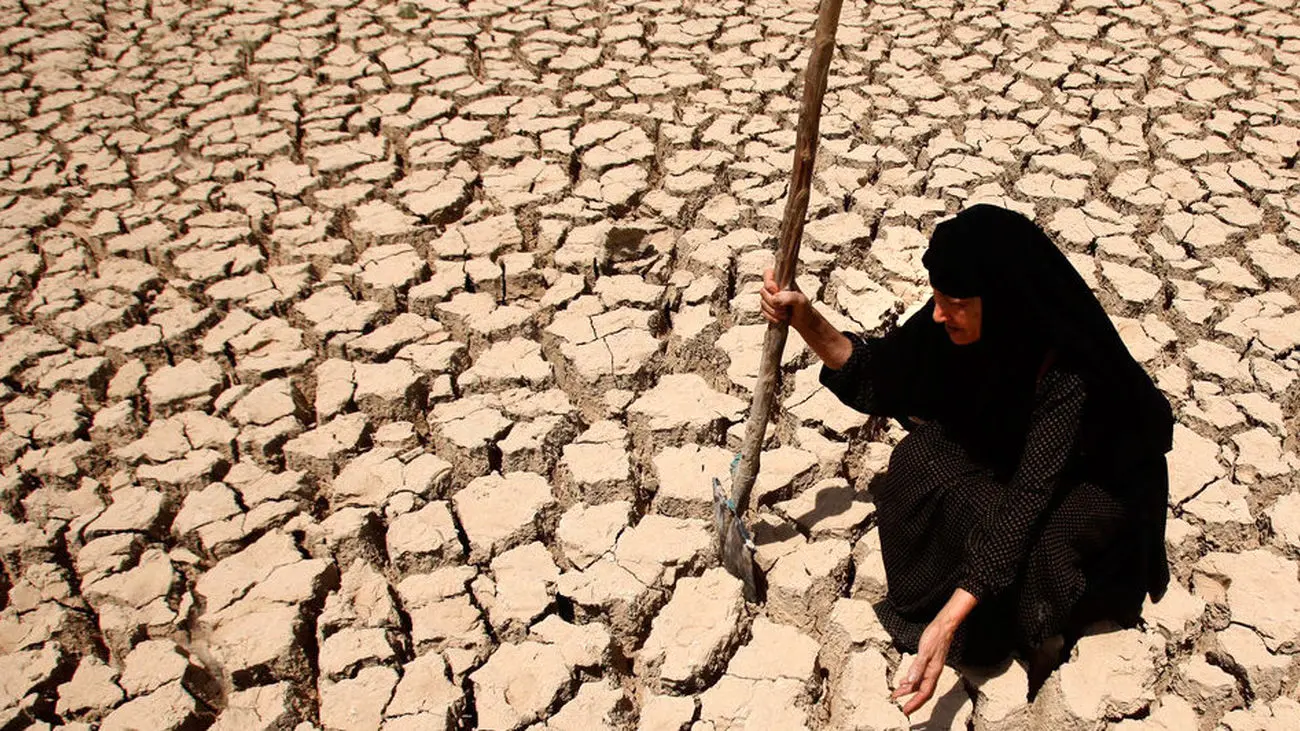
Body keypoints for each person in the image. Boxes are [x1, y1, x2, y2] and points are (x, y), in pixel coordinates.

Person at [759, 204, 1173, 715]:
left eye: (953, 302)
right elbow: (884, 373)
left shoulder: (1067, 370)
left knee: (1041, 549)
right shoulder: (960, 321)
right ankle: (971, 601)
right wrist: (805, 319)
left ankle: (1039, 634)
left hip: (1097, 480)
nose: (937, 313)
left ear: (999, 301)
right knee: (919, 462)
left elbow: (1028, 498)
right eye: (936, 297)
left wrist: (947, 622)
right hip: (1016, 456)